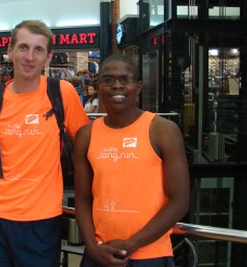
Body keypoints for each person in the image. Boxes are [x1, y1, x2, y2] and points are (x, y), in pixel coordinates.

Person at [0, 20, 89, 266]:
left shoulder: (61, 92)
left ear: (48, 56)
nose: (30, 57)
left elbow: (87, 146)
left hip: (41, 222)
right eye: (23, 47)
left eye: (38, 50)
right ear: (9, 51)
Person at [74, 54, 190, 267]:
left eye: (125, 79)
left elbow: (180, 201)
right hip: (99, 252)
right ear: (99, 86)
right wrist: (91, 245)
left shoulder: (163, 131)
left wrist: (132, 243)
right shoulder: (86, 135)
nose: (117, 86)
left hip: (150, 254)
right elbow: (82, 197)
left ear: (138, 86)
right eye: (108, 80)